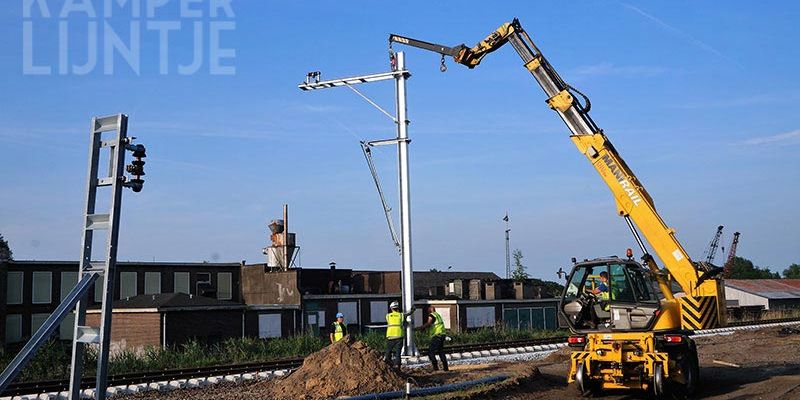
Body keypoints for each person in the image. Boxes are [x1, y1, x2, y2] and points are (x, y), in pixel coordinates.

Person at [417, 305, 449, 371]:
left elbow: (429, 323)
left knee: (431, 352)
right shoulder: (438, 315)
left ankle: (435, 368)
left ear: (430, 310)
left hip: (437, 335)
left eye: (428, 310)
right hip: (442, 334)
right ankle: (446, 368)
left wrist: (421, 327)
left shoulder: (432, 315)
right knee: (440, 351)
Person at [384, 301, 413, 369]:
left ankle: (387, 362)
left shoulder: (388, 316)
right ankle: (397, 365)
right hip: (399, 335)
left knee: (388, 350)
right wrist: (412, 310)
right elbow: (407, 314)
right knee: (398, 352)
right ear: (398, 308)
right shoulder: (401, 315)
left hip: (390, 335)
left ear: (391, 308)